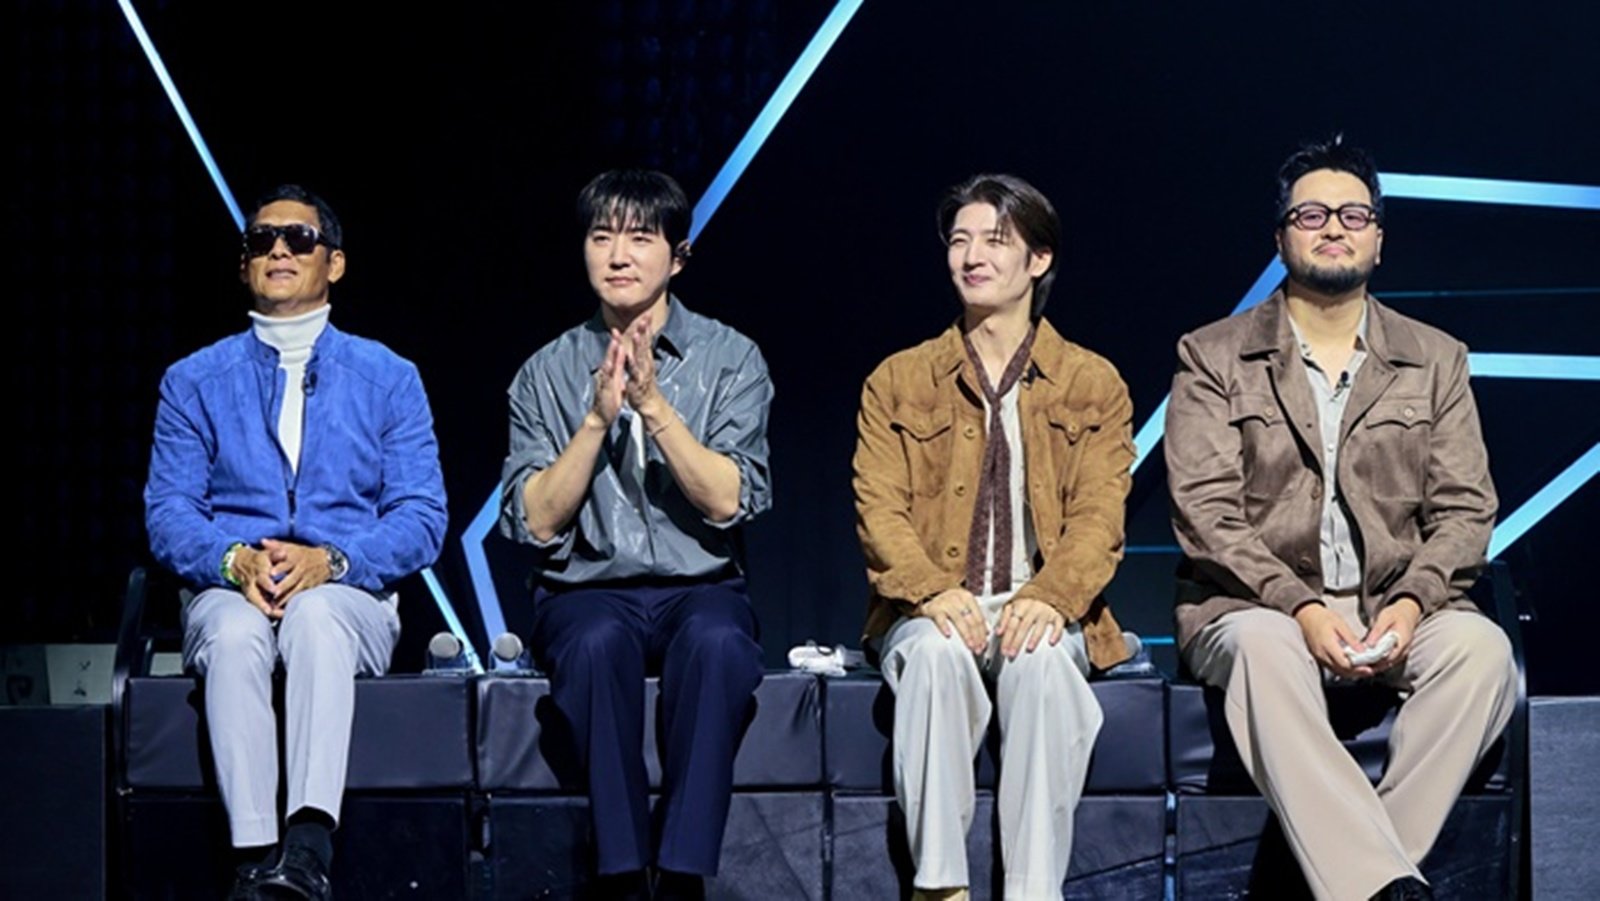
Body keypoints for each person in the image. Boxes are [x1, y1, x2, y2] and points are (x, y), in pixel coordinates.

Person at [1164, 137, 1518, 901]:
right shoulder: (1212, 355)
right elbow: (1206, 512)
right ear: (1281, 238)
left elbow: (1466, 508)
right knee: (1264, 648)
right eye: (1312, 214)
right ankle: (1378, 884)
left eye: (1354, 214)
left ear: (1378, 240)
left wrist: (1413, 599)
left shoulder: (1436, 358)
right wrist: (1301, 606)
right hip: (1254, 606)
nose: (1333, 226)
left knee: (1482, 651)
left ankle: (1361, 879)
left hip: (1396, 607)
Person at [145, 185, 448, 899]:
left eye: (299, 239)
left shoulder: (389, 378)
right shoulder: (192, 381)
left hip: (348, 592)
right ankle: (255, 859)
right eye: (261, 240)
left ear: (333, 263)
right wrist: (233, 560)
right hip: (231, 584)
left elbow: (421, 515)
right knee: (232, 631)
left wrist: (334, 561)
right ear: (244, 264)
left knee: (315, 615)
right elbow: (169, 511)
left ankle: (308, 848)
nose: (278, 249)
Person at [852, 173, 1135, 901]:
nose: (972, 256)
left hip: (1041, 603)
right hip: (931, 605)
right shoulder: (899, 379)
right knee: (937, 655)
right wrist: (929, 591)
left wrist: (1050, 596)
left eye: (994, 241)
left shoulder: (1092, 381)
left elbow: (1100, 517)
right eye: (960, 241)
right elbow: (878, 510)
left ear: (1039, 259)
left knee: (1040, 666)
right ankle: (940, 888)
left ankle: (1034, 892)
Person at [499, 169, 773, 900]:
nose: (618, 255)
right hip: (585, 589)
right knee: (594, 645)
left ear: (678, 257)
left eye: (640, 239)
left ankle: (680, 874)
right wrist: (596, 420)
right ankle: (621, 876)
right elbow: (535, 519)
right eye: (602, 237)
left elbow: (729, 499)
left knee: (719, 645)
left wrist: (653, 407)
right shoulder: (545, 372)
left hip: (701, 586)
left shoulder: (731, 359)